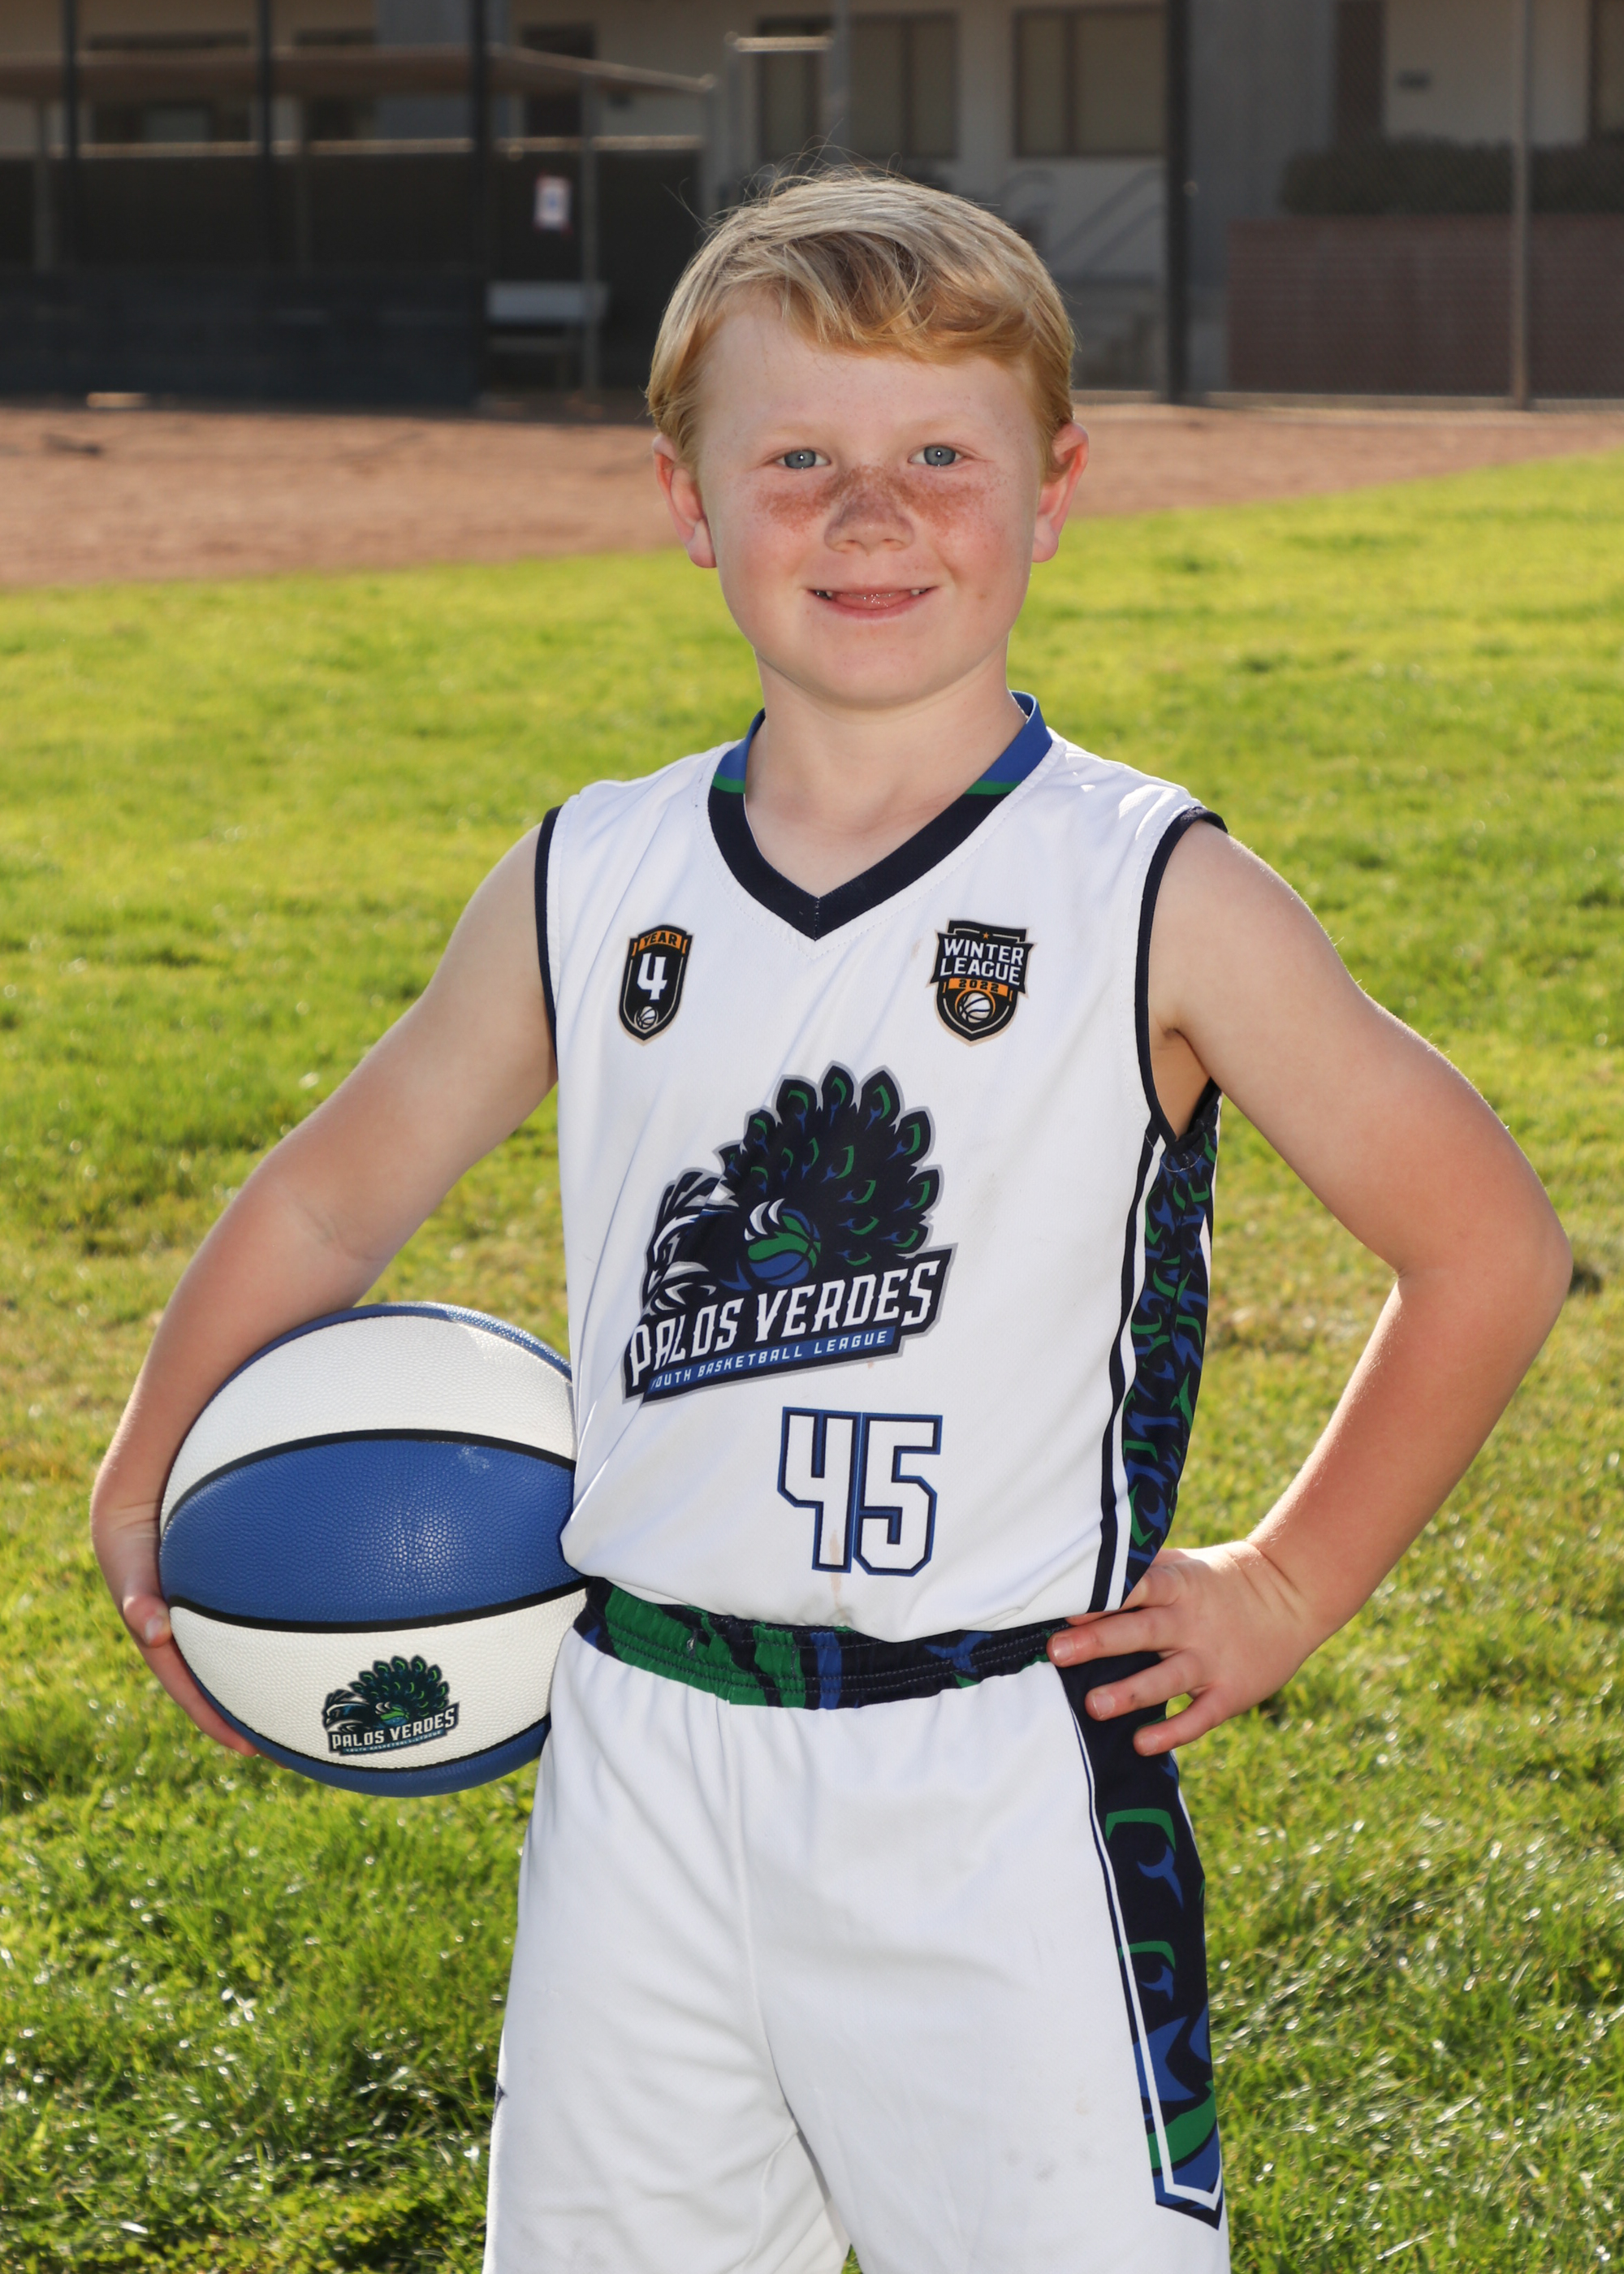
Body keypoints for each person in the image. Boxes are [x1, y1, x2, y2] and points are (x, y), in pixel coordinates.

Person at [91, 175, 1570, 2274]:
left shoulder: (1150, 890)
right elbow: (338, 1188)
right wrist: (150, 1450)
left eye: (940, 456)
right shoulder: (593, 877)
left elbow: (1487, 1246)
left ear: (1055, 491)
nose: (871, 515)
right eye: (797, 461)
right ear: (688, 505)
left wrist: (1287, 1585)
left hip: (991, 1773)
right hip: (641, 1751)